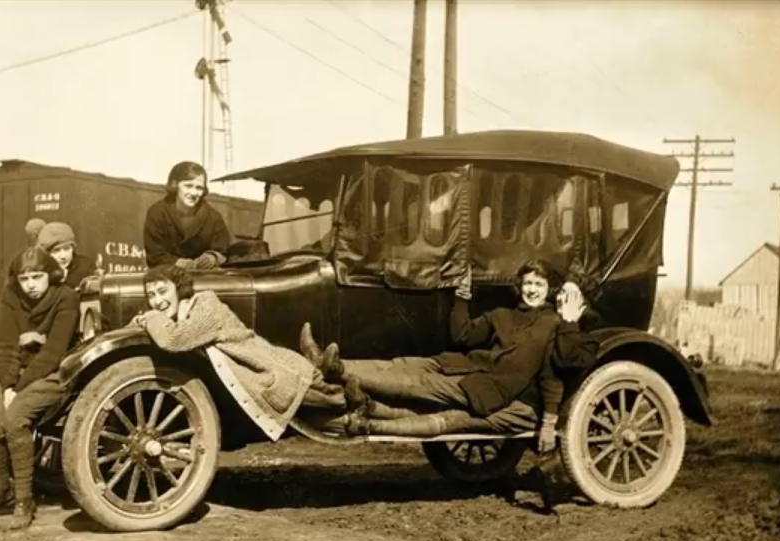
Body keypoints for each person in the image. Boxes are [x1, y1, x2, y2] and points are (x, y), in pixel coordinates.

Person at [300, 259, 599, 452]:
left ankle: (336, 373)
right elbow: (463, 336)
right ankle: (331, 364)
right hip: (460, 366)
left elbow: (554, 373)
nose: (532, 290)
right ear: (520, 286)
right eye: (528, 283)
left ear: (549, 291)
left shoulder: (555, 326)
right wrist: (462, 297)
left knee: (413, 383)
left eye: (540, 285)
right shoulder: (502, 315)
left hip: (485, 387)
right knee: (401, 365)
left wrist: (547, 423)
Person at [129, 265, 367, 438]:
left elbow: (172, 340)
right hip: (269, 375)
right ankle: (346, 398)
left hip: (281, 373)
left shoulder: (205, 305)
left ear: (179, 289)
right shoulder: (183, 317)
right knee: (322, 419)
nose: (157, 301)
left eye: (162, 291)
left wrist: (149, 318)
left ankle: (344, 387)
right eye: (151, 296)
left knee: (337, 401)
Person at [0, 247, 81, 528]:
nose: (31, 284)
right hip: (14, 375)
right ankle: (1, 492)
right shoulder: (11, 298)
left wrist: (18, 389)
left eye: (37, 276)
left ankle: (24, 499)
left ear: (50, 275)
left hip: (52, 374)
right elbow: (6, 346)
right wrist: (7, 386)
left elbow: (53, 353)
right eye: (25, 278)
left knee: (14, 419)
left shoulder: (65, 297)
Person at [143, 161, 231, 270]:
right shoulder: (157, 213)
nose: (194, 193)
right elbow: (154, 255)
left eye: (199, 188)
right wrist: (177, 263)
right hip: (166, 276)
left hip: (202, 279)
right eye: (188, 186)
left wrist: (213, 257)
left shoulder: (213, 218)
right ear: (175, 185)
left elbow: (224, 250)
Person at [35, 221, 98, 290]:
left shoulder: (86, 267)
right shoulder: (37, 272)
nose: (63, 256)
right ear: (46, 254)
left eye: (67, 249)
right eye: (56, 251)